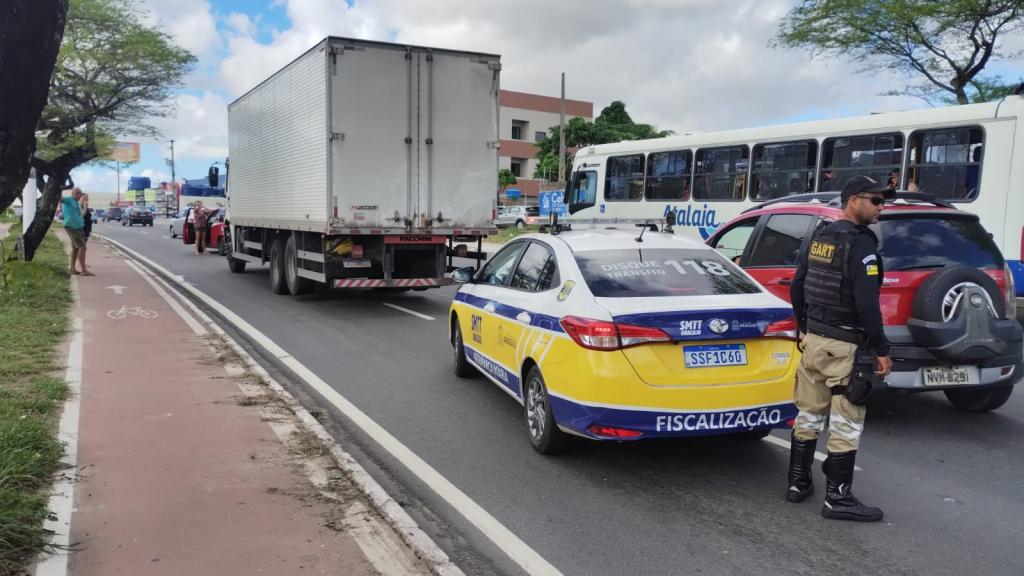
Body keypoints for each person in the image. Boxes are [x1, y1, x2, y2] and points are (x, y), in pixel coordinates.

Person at [787, 175, 893, 522]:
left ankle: (797, 483)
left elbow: (798, 285)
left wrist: (804, 327)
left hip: (814, 340)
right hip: (845, 345)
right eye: (875, 201)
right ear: (853, 201)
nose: (881, 207)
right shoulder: (860, 244)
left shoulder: (820, 236)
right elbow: (867, 304)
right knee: (847, 420)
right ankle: (838, 498)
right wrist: (881, 348)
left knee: (809, 413)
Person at [61, 187, 93, 276]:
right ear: (72, 193)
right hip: (71, 227)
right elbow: (60, 198)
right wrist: (60, 188)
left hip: (79, 227)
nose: (79, 195)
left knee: (75, 248)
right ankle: (84, 270)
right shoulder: (69, 200)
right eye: (77, 193)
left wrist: (85, 207)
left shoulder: (77, 203)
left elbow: (80, 215)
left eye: (80, 193)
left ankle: (72, 269)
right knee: (83, 247)